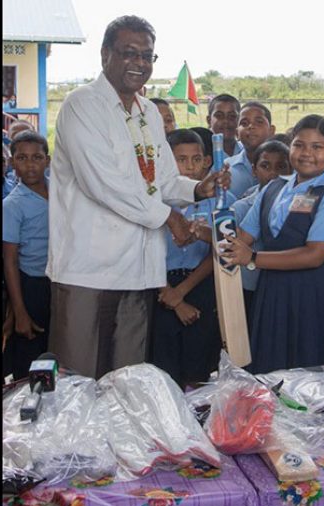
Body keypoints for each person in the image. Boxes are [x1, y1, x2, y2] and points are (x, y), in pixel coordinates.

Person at [46, 15, 229, 379]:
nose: (140, 64)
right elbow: (104, 184)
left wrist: (196, 189)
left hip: (140, 269)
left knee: (127, 382)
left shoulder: (148, 112)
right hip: (89, 270)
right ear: (105, 55)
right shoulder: (81, 105)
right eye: (130, 53)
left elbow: (160, 179)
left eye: (147, 56)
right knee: (80, 382)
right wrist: (169, 217)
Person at [220, 115, 324, 376]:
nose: (306, 153)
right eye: (299, 145)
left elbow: (315, 254)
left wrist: (252, 258)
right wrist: (201, 231)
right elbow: (242, 237)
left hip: (313, 293)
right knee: (272, 367)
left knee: (310, 369)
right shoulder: (274, 187)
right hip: (273, 291)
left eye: (317, 147)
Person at [151, 129, 230, 388]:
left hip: (198, 286)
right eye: (181, 160)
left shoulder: (214, 201)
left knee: (199, 370)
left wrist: (182, 292)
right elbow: (144, 252)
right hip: (159, 288)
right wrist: (172, 298)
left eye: (196, 159)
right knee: (163, 368)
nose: (189, 166)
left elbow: (218, 250)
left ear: (206, 161)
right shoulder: (153, 202)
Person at [3, 130, 52, 379]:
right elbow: (10, 261)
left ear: (48, 160)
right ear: (12, 163)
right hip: (31, 285)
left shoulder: (61, 193)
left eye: (37, 157)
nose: (30, 165)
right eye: (22, 158)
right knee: (29, 355)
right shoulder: (13, 205)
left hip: (60, 280)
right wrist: (20, 311)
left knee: (56, 353)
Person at [229, 139, 291, 332]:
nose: (274, 174)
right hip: (249, 288)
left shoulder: (298, 206)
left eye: (281, 167)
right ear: (254, 170)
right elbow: (234, 244)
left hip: (285, 288)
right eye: (265, 166)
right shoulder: (242, 207)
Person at [226, 101, 276, 197]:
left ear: (271, 130)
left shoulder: (285, 167)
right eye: (244, 123)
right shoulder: (225, 168)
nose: (251, 127)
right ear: (237, 134)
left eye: (259, 122)